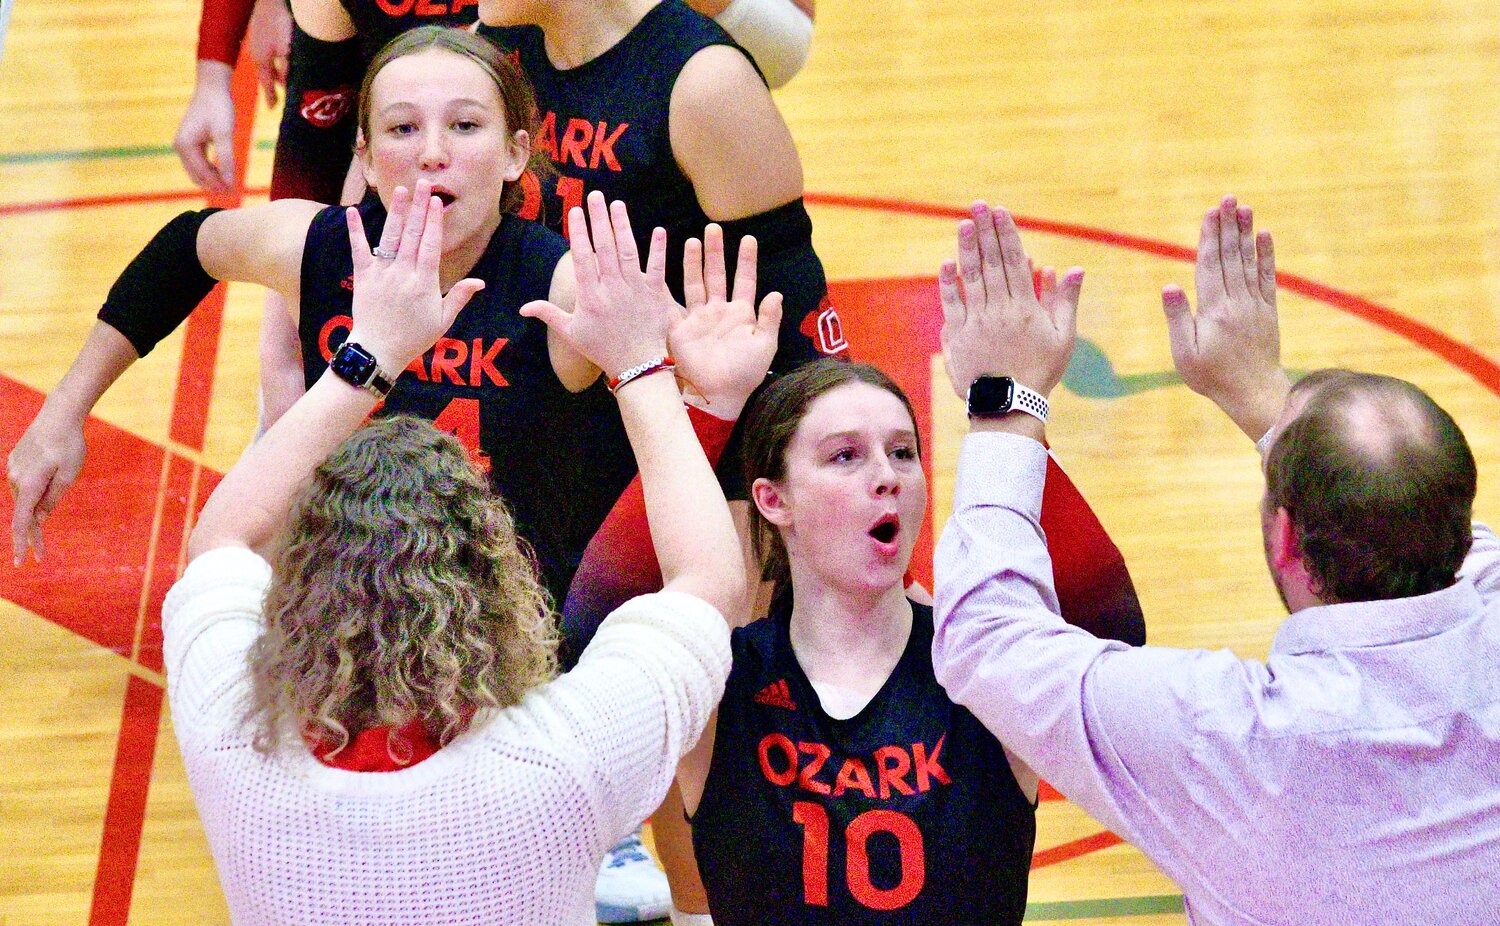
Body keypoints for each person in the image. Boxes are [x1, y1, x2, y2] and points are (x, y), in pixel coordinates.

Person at [164, 165, 757, 923]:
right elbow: (708, 582)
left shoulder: (230, 727)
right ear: (496, 575)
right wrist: (657, 377)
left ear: (300, 577)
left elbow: (222, 536)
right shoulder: (561, 756)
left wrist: (364, 356)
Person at [931, 195, 1500, 925]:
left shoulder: (1223, 742)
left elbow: (987, 637)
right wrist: (1270, 405)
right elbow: (1439, 527)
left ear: (1284, 538)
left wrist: (1003, 402)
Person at [672, 356, 1148, 924]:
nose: (887, 475)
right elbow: (585, 633)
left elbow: (1114, 629)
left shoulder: (977, 668)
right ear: (774, 500)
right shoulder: (727, 682)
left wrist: (1013, 409)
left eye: (902, 453)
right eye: (845, 455)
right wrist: (712, 412)